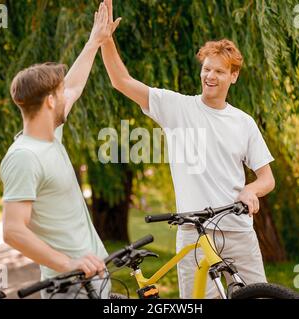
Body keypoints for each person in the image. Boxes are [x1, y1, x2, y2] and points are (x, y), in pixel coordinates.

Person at [100, 0, 275, 298]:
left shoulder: (243, 122)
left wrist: (251, 190)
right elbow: (121, 81)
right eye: (207, 69)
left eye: (219, 71)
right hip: (194, 233)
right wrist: (105, 40)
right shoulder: (177, 108)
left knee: (259, 297)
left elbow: (267, 179)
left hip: (239, 230)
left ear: (233, 76)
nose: (210, 76)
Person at [0, 2, 119, 299]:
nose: (67, 96)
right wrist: (68, 264)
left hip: (94, 274)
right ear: (50, 101)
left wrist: (95, 41)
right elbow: (13, 230)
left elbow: (75, 84)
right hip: (70, 286)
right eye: (60, 93)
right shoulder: (24, 157)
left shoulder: (51, 133)